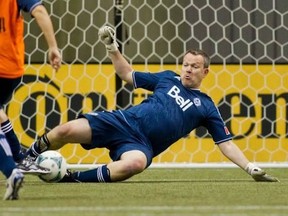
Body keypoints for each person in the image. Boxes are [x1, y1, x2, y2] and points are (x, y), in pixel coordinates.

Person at [25, 25, 278, 183]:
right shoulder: (167, 78)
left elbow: (226, 144)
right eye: (186, 64)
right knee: (64, 131)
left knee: (135, 164)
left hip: (140, 144)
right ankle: (27, 157)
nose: (188, 70)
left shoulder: (207, 106)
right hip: (122, 121)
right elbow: (127, 74)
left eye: (195, 67)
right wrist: (113, 49)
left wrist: (249, 167)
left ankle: (72, 178)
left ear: (206, 72)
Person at [0, 0, 61, 200]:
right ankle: (19, 158)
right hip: (12, 70)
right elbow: (40, 11)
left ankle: (12, 171)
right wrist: (53, 47)